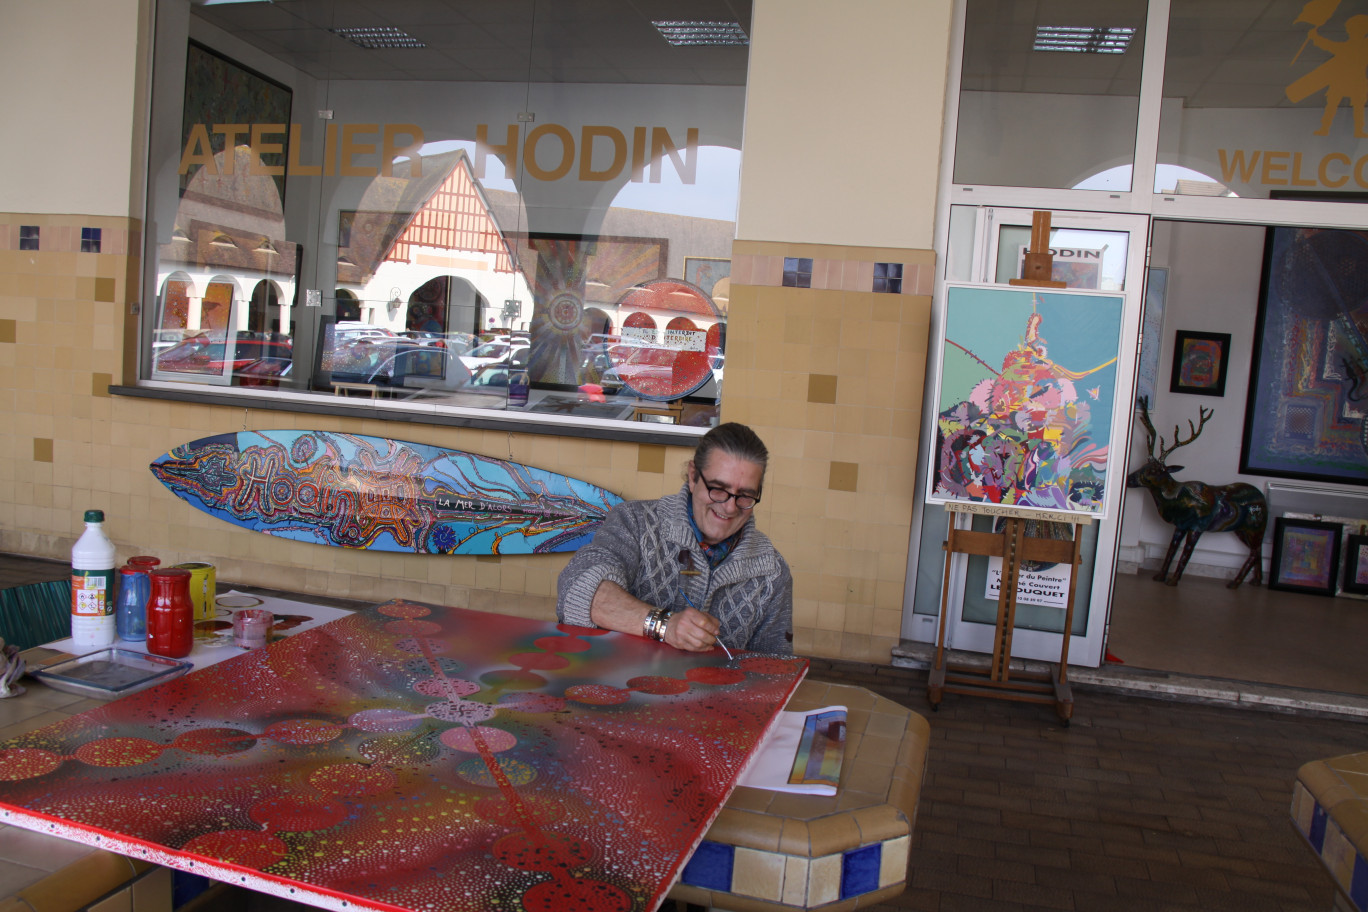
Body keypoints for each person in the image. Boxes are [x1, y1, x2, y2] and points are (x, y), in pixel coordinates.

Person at [556, 422, 792, 654]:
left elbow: (773, 670)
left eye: (745, 496)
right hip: (618, 689)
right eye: (718, 488)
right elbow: (578, 590)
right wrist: (664, 625)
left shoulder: (772, 572)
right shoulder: (635, 522)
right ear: (693, 476)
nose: (730, 507)